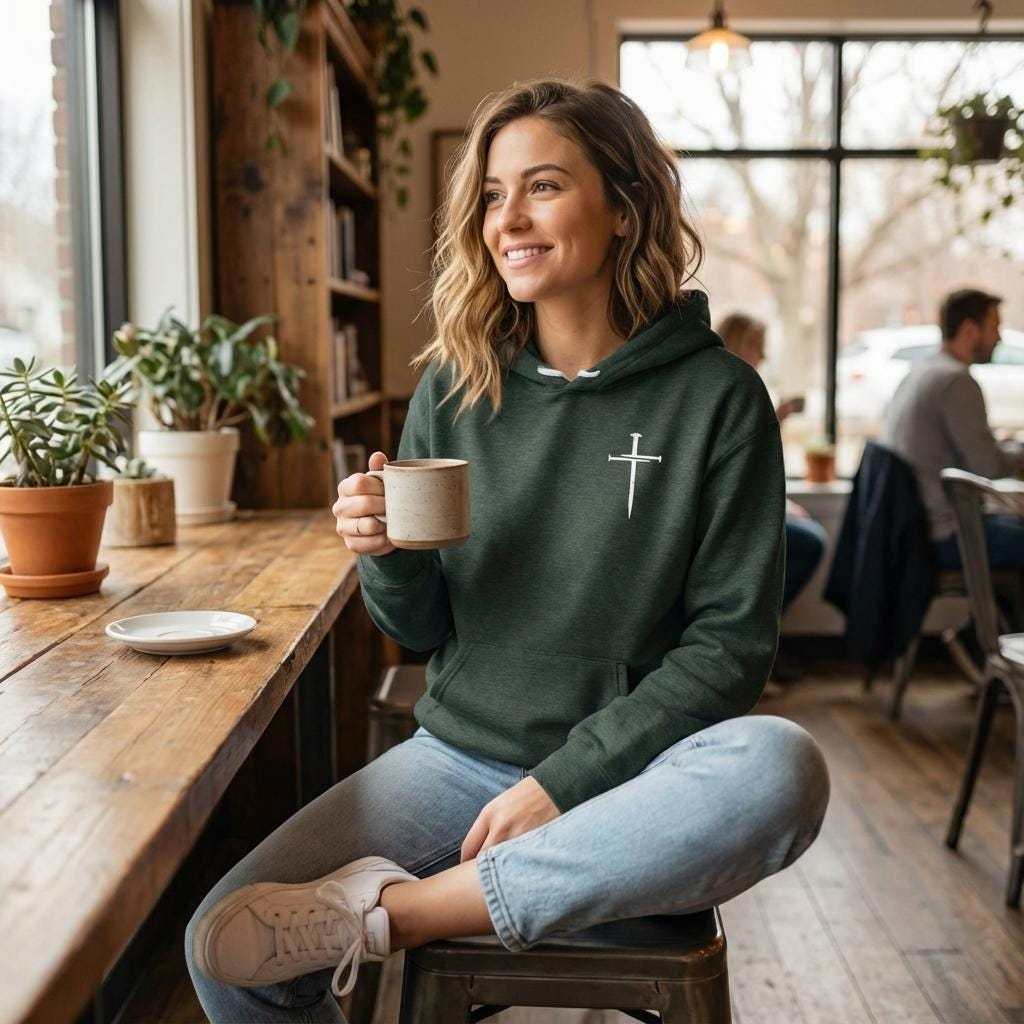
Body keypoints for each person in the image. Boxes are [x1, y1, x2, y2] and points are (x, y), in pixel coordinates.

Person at [185, 78, 830, 1022]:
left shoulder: (718, 399)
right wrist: (383, 550)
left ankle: (390, 919)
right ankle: (425, 906)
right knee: (223, 945)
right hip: (459, 758)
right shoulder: (455, 386)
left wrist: (561, 787)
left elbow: (730, 651)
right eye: (492, 193)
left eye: (544, 186)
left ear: (624, 206)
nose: (508, 219)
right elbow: (419, 626)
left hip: (633, 783)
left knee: (784, 767)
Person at [717, 312, 828, 683]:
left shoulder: (742, 388)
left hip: (748, 507)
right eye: (756, 348)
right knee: (808, 543)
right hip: (734, 515)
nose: (762, 357)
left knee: (808, 537)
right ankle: (758, 640)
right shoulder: (724, 388)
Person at [881, 288, 1024, 573]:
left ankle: (992, 619)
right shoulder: (956, 381)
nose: (999, 338)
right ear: (971, 329)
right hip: (949, 534)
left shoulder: (922, 371)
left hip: (919, 527)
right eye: (994, 326)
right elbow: (988, 465)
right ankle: (992, 619)